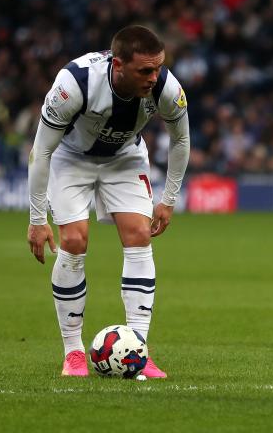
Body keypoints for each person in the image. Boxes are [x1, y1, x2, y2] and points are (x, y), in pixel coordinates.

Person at [26, 25, 190, 378]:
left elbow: (181, 140)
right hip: (70, 159)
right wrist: (37, 219)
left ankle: (139, 353)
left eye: (158, 67)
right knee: (73, 240)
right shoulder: (74, 84)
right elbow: (41, 151)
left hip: (125, 158)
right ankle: (73, 353)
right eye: (145, 70)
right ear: (118, 65)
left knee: (138, 235)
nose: (154, 77)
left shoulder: (166, 89)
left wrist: (169, 199)